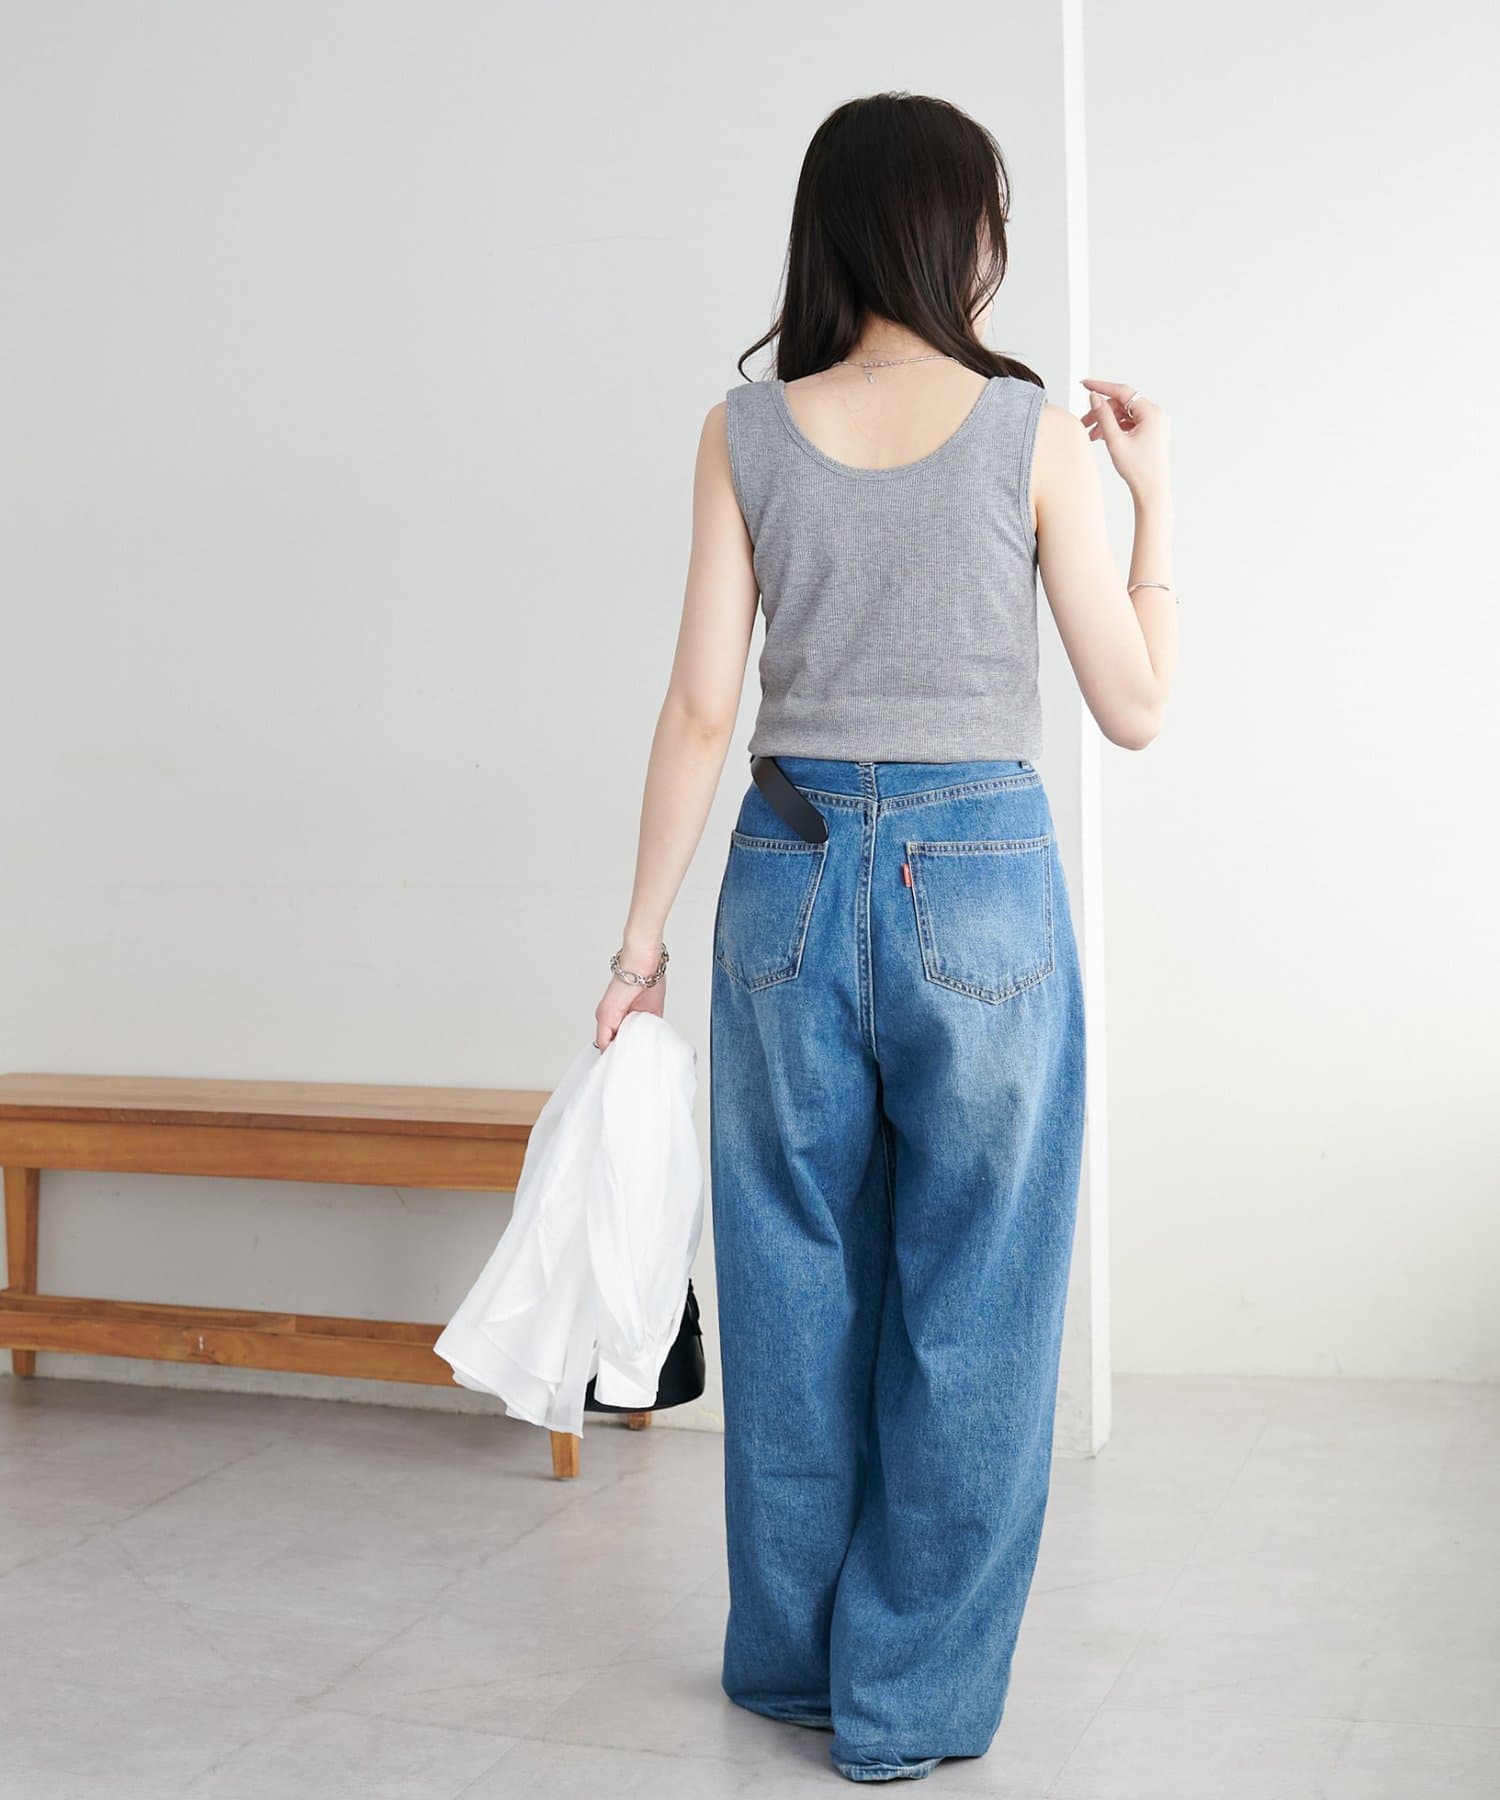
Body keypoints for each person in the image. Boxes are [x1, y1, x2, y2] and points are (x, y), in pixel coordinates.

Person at [592, 90, 1175, 1785]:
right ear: (955, 234)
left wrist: (637, 949)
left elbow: (704, 709)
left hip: (783, 869)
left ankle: (790, 1665)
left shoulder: (744, 431)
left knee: (791, 1284)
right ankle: (905, 1704)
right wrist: (1157, 503)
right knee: (979, 1300)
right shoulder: (1031, 436)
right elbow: (1134, 707)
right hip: (979, 875)